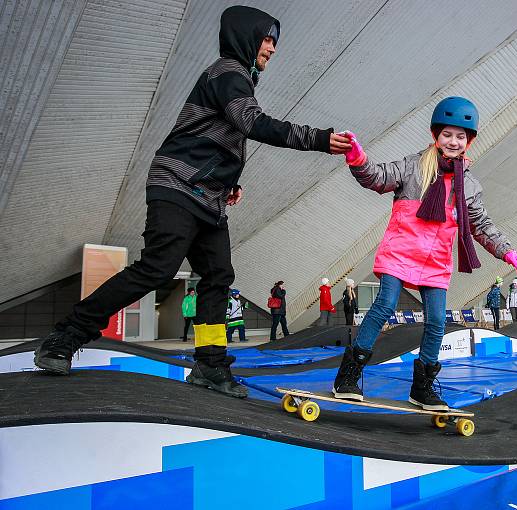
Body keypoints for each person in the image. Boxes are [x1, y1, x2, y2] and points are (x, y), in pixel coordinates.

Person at [31, 6, 352, 398]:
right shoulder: (228, 73)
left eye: (273, 42)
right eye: (267, 40)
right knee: (158, 267)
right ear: (247, 38)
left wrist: (230, 181)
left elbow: (222, 136)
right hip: (178, 185)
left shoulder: (237, 79)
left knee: (218, 277)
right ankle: (66, 335)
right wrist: (319, 139)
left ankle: (210, 364)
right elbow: (253, 123)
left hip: (207, 198)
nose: (272, 49)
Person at [332, 96, 517, 410]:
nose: (453, 141)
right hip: (401, 251)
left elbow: (481, 225)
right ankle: (349, 375)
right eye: (447, 134)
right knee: (384, 305)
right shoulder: (413, 167)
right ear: (436, 136)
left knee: (437, 321)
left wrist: (508, 252)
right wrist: (358, 159)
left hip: (435, 261)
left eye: (460, 136)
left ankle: (421, 388)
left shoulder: (470, 186)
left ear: (469, 142)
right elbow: (378, 177)